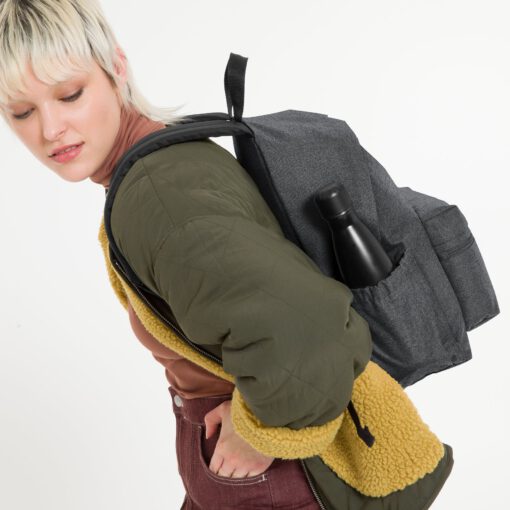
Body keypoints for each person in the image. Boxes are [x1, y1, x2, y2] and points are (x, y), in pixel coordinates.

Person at [0, 2, 454, 509]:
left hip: (277, 480)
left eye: (69, 95)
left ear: (116, 68)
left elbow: (307, 334)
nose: (50, 129)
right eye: (22, 111)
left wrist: (260, 431)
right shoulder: (165, 162)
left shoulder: (162, 196)